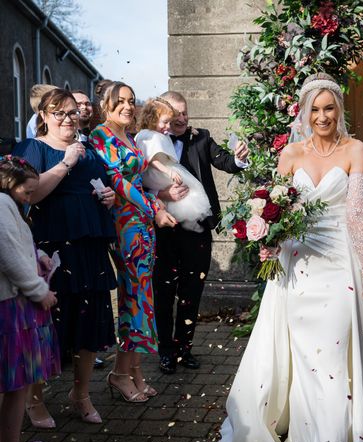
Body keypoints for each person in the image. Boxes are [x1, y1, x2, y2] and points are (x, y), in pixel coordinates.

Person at [214, 72, 363, 442]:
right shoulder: (290, 154)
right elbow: (275, 208)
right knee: (302, 349)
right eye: (315, 109)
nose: (322, 116)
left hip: (341, 263)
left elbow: (357, 215)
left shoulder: (355, 149)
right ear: (304, 112)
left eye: (329, 108)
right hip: (297, 262)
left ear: (339, 109)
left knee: (334, 350)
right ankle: (311, 427)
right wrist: (268, 238)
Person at [13, 88, 117, 425]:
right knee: (50, 326)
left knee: (90, 322)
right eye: (59, 112)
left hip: (90, 247)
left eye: (73, 112)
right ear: (43, 116)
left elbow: (100, 184)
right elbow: (31, 193)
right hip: (53, 251)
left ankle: (81, 394)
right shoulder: (34, 148)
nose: (68, 118)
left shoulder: (88, 151)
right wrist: (65, 162)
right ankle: (34, 399)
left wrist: (108, 196)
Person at [90, 82, 176, 403]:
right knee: (133, 299)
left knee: (144, 296)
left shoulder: (131, 137)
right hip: (125, 225)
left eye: (131, 101)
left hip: (143, 226)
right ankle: (119, 374)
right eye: (120, 101)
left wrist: (157, 203)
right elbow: (119, 182)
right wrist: (154, 207)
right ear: (106, 106)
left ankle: (136, 372)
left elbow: (140, 178)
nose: (128, 106)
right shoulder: (101, 136)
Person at [153, 91, 248, 374]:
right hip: (164, 228)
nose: (183, 118)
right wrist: (161, 192)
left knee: (192, 291)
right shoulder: (149, 140)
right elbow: (135, 181)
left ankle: (184, 349)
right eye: (176, 114)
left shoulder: (201, 137)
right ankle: (166, 351)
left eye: (185, 113)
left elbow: (226, 163)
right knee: (164, 291)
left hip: (198, 230)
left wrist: (240, 159)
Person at [0, 155, 59, 442]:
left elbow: (19, 246)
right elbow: (9, 257)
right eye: (27, 192)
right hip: (9, 307)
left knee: (16, 386)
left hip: (13, 303)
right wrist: (40, 291)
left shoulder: (8, 206)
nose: (30, 199)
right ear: (10, 186)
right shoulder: (1, 206)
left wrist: (39, 256)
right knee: (15, 386)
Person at [135, 97, 213, 233]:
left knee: (189, 190)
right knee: (189, 187)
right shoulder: (148, 136)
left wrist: (189, 130)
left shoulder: (162, 133)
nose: (168, 126)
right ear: (153, 118)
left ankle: (191, 220)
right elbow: (151, 159)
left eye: (184, 113)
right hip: (156, 173)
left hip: (164, 171)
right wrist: (168, 172)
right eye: (165, 122)